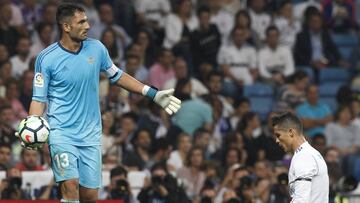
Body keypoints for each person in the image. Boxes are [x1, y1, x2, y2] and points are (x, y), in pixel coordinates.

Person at [15, 3, 181, 203]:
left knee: (90, 195)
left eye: (87, 20)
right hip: (61, 133)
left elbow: (117, 76)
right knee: (70, 187)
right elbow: (39, 99)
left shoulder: (97, 48)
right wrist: (33, 124)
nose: (88, 26)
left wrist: (152, 93)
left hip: (91, 134)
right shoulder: (47, 58)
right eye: (81, 22)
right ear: (66, 27)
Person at [272, 112, 329, 203]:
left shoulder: (303, 157)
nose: (277, 140)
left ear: (291, 132)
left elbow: (301, 199)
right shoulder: (310, 153)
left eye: (278, 135)